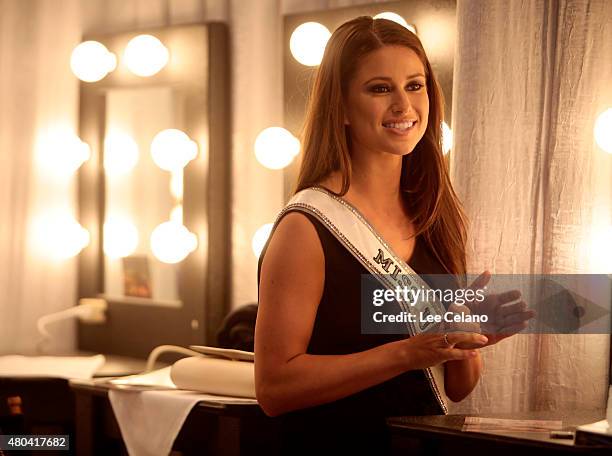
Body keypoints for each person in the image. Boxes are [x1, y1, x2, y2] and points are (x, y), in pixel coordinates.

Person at [255, 16, 533, 454]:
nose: (404, 106)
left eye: (415, 85)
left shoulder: (434, 215)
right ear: (342, 108)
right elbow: (274, 389)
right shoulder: (306, 227)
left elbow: (457, 389)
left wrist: (464, 337)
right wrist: (410, 353)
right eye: (380, 88)